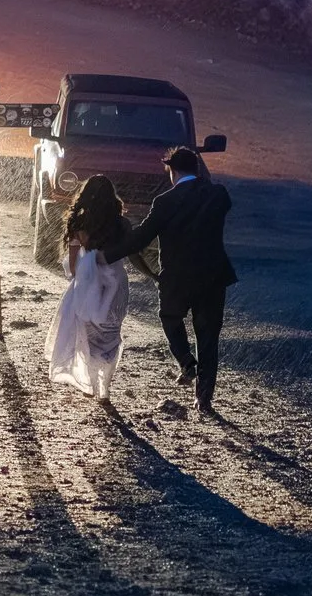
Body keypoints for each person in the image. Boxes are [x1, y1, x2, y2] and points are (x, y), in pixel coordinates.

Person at [108, 146, 236, 416]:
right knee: (209, 337)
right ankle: (204, 400)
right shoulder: (217, 194)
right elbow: (219, 202)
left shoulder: (166, 201)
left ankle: (186, 361)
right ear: (198, 170)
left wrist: (106, 255)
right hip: (213, 277)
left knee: (170, 318)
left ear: (172, 171)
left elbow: (141, 238)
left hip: (177, 278)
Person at [46, 175, 131, 399]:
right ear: (112, 198)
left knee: (90, 335)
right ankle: (105, 386)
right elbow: (130, 252)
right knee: (112, 334)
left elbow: (73, 269)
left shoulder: (78, 224)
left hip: (88, 285)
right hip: (116, 284)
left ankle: (92, 382)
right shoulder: (122, 224)